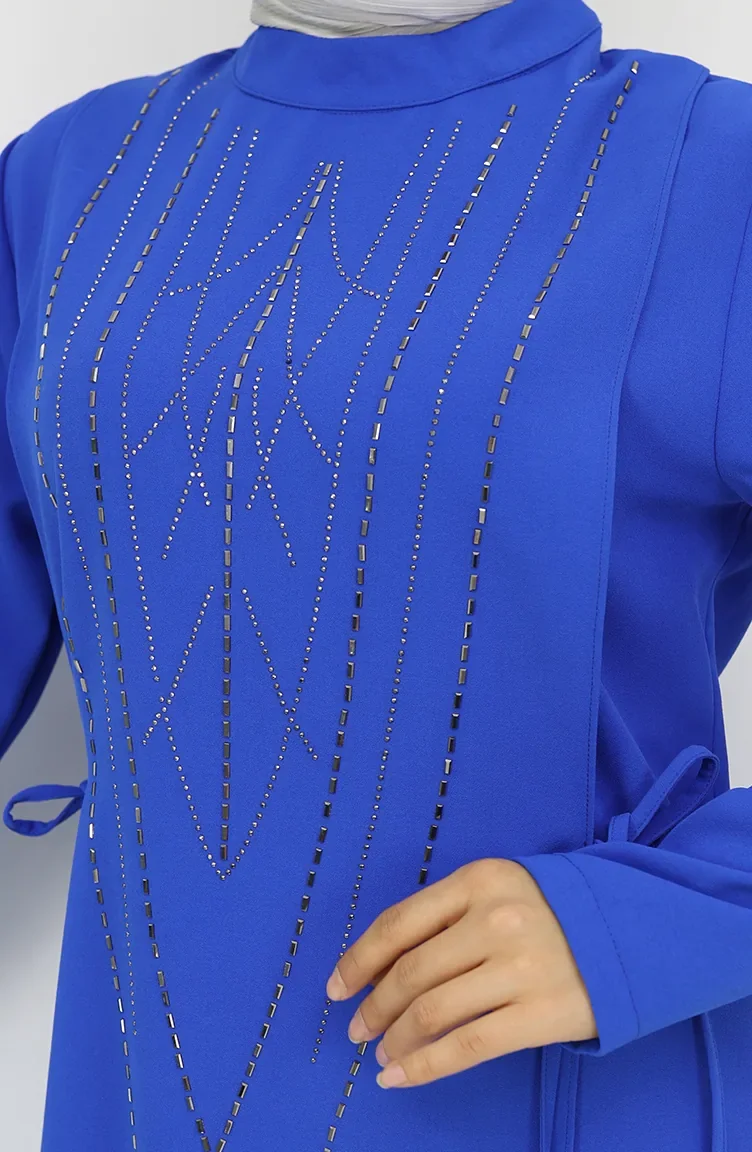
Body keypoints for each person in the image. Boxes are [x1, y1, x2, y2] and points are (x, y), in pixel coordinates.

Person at [3, 0, 752, 1147]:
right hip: (133, 1100)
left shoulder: (711, 172)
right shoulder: (66, 179)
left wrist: (648, 923)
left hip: (553, 1087)